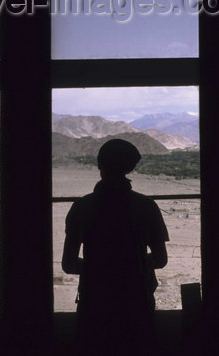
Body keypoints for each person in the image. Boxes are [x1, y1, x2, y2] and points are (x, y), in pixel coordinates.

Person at [62, 139, 169, 355]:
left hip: (94, 303)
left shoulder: (82, 207)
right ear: (130, 168)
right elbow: (160, 259)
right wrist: (133, 266)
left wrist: (97, 268)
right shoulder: (146, 206)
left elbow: (68, 264)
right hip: (136, 303)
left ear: (100, 166)